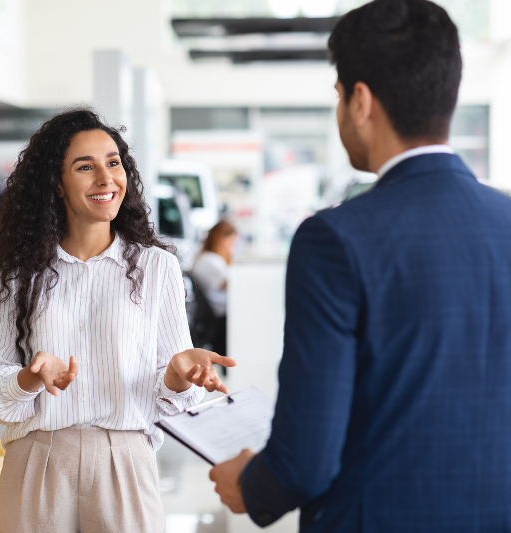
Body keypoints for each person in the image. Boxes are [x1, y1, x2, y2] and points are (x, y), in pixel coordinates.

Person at [210, 1, 511, 531]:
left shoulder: (336, 239)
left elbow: (308, 458)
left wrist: (251, 486)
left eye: (338, 95)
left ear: (362, 101)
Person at [0, 109, 235, 533]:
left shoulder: (157, 268)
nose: (105, 178)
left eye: (113, 163)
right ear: (57, 184)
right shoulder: (18, 275)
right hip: (37, 461)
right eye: (85, 166)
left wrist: (175, 375)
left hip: (125, 462)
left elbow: (170, 398)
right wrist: (30, 378)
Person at [191, 220, 238, 357]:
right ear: (221, 239)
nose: (233, 247)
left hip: (218, 313)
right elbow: (230, 284)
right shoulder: (209, 261)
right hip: (220, 316)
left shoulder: (210, 259)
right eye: (231, 242)